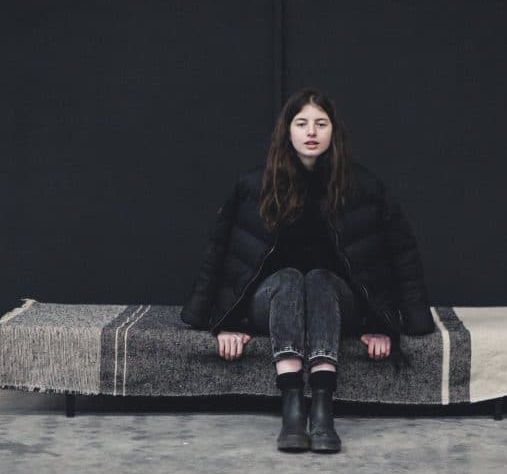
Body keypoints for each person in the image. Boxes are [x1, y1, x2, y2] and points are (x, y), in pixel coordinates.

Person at [180, 88, 435, 453]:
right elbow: (223, 255)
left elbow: (398, 256)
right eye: (301, 123)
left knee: (316, 277)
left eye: (320, 123)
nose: (311, 132)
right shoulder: (255, 186)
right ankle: (292, 407)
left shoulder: (363, 187)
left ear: (334, 132)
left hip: (336, 302)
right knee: (289, 278)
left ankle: (322, 406)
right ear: (288, 131)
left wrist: (385, 325)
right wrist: (225, 322)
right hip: (270, 301)